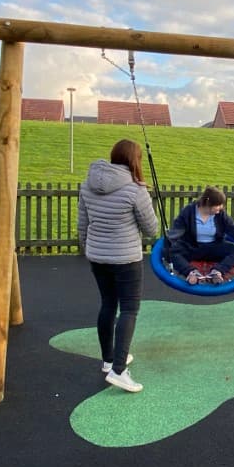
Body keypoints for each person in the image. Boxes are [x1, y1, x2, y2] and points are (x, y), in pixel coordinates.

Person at [78, 139, 158, 393]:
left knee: (108, 304)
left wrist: (89, 248)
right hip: (126, 259)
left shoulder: (87, 185)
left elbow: (82, 224)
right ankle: (119, 371)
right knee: (129, 310)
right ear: (135, 160)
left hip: (97, 257)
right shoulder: (135, 190)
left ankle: (109, 359)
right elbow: (151, 229)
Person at [166, 186, 234, 285]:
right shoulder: (188, 211)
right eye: (218, 205)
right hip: (192, 247)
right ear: (208, 204)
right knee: (172, 252)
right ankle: (191, 273)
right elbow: (177, 229)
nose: (221, 207)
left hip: (214, 246)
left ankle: (217, 272)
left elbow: (233, 229)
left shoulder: (220, 214)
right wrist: (169, 242)